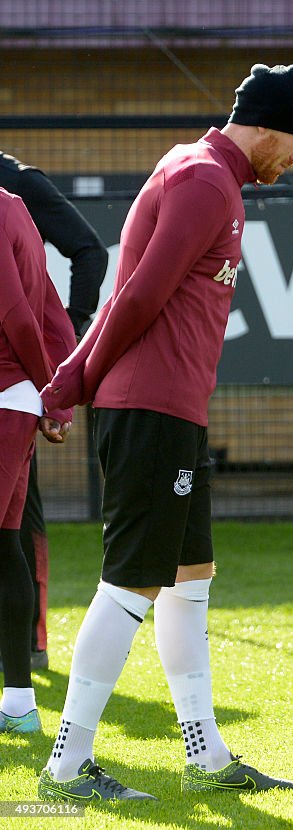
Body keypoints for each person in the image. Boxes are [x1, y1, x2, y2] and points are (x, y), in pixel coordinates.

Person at [36, 63, 293, 802]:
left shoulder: (214, 177)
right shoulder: (202, 179)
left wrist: (75, 377)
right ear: (263, 126)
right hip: (150, 410)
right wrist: (71, 380)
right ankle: (66, 766)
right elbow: (136, 296)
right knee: (130, 583)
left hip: (175, 411)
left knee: (188, 582)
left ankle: (207, 754)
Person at [0, 150, 108, 674]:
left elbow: (89, 250)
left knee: (20, 521)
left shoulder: (16, 185)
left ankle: (31, 647)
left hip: (18, 381)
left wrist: (64, 337)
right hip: (24, 378)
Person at [0, 186, 77, 736]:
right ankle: (19, 703)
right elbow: (50, 311)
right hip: (17, 396)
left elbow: (18, 313)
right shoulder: (14, 206)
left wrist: (52, 393)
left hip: (7, 391)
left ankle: (21, 702)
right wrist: (55, 394)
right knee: (6, 546)